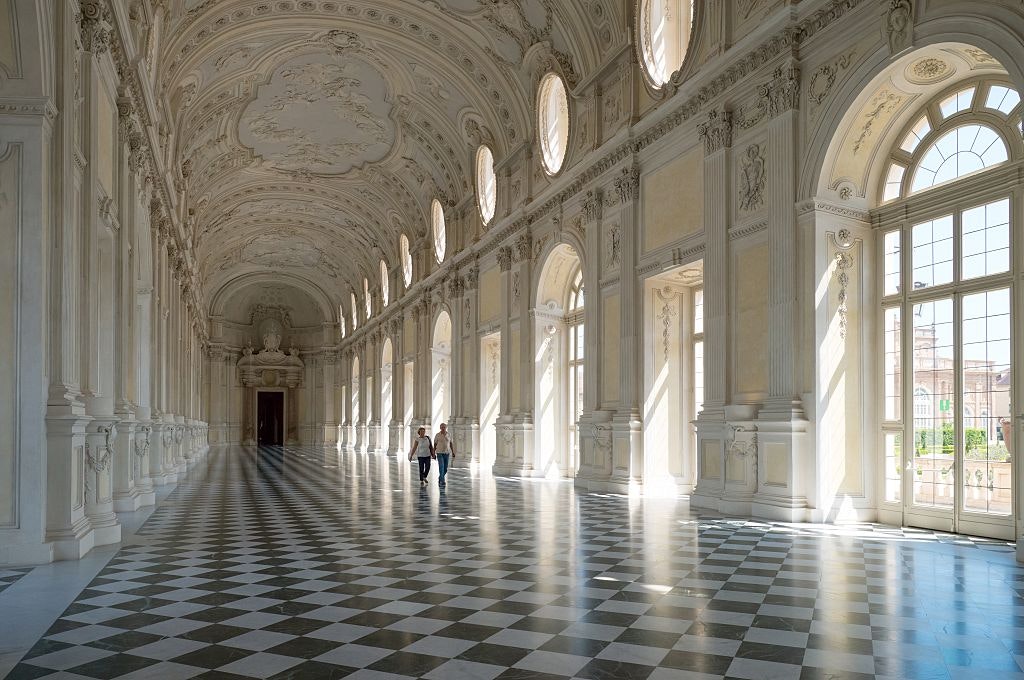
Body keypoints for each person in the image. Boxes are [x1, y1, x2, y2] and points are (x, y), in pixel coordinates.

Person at [433, 423, 456, 488]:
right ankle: (442, 481)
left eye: (444, 427)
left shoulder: (448, 434)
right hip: (439, 452)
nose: (443, 428)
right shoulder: (437, 435)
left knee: (445, 468)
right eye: (442, 427)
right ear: (440, 428)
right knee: (441, 466)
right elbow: (435, 444)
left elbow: (451, 443)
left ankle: (440, 477)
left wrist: (453, 451)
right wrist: (433, 452)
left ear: (446, 428)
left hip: (447, 452)